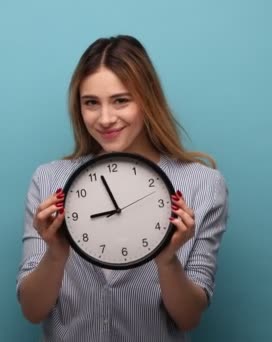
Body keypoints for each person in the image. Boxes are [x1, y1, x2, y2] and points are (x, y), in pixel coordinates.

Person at [17, 35, 229, 341]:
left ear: (147, 100)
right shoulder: (50, 180)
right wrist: (55, 253)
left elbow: (189, 318)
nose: (105, 119)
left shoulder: (203, 186)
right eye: (91, 102)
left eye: (121, 100)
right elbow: (32, 311)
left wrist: (168, 260)